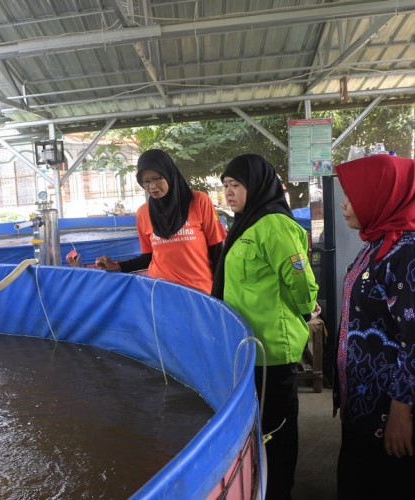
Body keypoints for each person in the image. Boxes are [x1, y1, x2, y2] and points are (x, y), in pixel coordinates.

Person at [211, 153, 319, 500]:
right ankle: (261, 483)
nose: (229, 192)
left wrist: (305, 311)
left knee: (278, 428)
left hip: (272, 347)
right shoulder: (244, 223)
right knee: (259, 425)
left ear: (256, 185)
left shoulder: (274, 224)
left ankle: (279, 490)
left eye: (236, 185)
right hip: (248, 347)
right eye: (225, 186)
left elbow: (301, 282)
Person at [333, 154, 415, 499]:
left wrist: (401, 410)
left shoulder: (406, 254)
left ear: (381, 195)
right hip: (364, 404)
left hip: (388, 413)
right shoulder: (377, 244)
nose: (344, 203)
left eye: (353, 195)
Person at [94, 148, 226, 293]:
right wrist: (118, 266)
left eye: (158, 178)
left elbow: (217, 250)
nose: (152, 186)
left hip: (200, 293)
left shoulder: (199, 201)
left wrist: (219, 291)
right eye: (146, 181)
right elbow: (149, 257)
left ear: (169, 174)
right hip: (161, 293)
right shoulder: (143, 213)